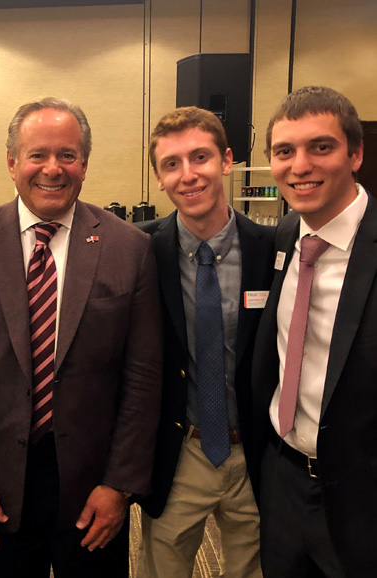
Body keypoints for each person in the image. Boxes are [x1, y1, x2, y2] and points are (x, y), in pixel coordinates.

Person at [0, 97, 162, 578]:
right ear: (12, 163)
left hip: (94, 490)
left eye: (67, 155)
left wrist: (119, 484)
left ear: (85, 165)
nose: (53, 168)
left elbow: (143, 378)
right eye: (37, 155)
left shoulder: (128, 247)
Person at [135, 107, 272, 577]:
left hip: (256, 454)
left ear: (227, 160)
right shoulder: (140, 253)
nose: (188, 175)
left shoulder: (273, 248)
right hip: (179, 455)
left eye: (200, 157)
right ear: (158, 177)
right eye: (172, 164)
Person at [252, 85, 372, 577]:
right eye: (285, 151)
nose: (300, 166)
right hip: (283, 479)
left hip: (364, 494)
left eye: (320, 147)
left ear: (356, 153)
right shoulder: (282, 239)